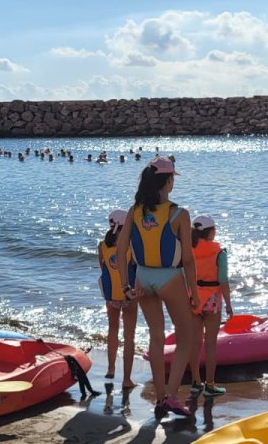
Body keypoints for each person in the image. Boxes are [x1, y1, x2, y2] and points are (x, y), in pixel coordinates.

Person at [116, 155, 198, 419]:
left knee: (156, 336)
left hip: (142, 278)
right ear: (169, 181)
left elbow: (121, 249)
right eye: (173, 178)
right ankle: (171, 397)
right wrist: (195, 292)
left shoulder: (135, 211)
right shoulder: (179, 214)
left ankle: (161, 397)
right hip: (169, 278)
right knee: (186, 337)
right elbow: (188, 259)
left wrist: (126, 286)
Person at [189, 214, 233, 397]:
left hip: (192, 298)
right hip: (212, 300)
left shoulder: (188, 250)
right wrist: (229, 304)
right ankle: (210, 385)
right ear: (211, 232)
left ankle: (195, 382)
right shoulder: (219, 253)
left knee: (195, 342)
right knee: (210, 343)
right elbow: (223, 281)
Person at [98, 209, 138, 388]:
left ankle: (111, 368)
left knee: (112, 329)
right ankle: (127, 379)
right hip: (129, 294)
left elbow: (103, 268)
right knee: (129, 336)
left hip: (111, 296)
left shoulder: (102, 246)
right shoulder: (131, 246)